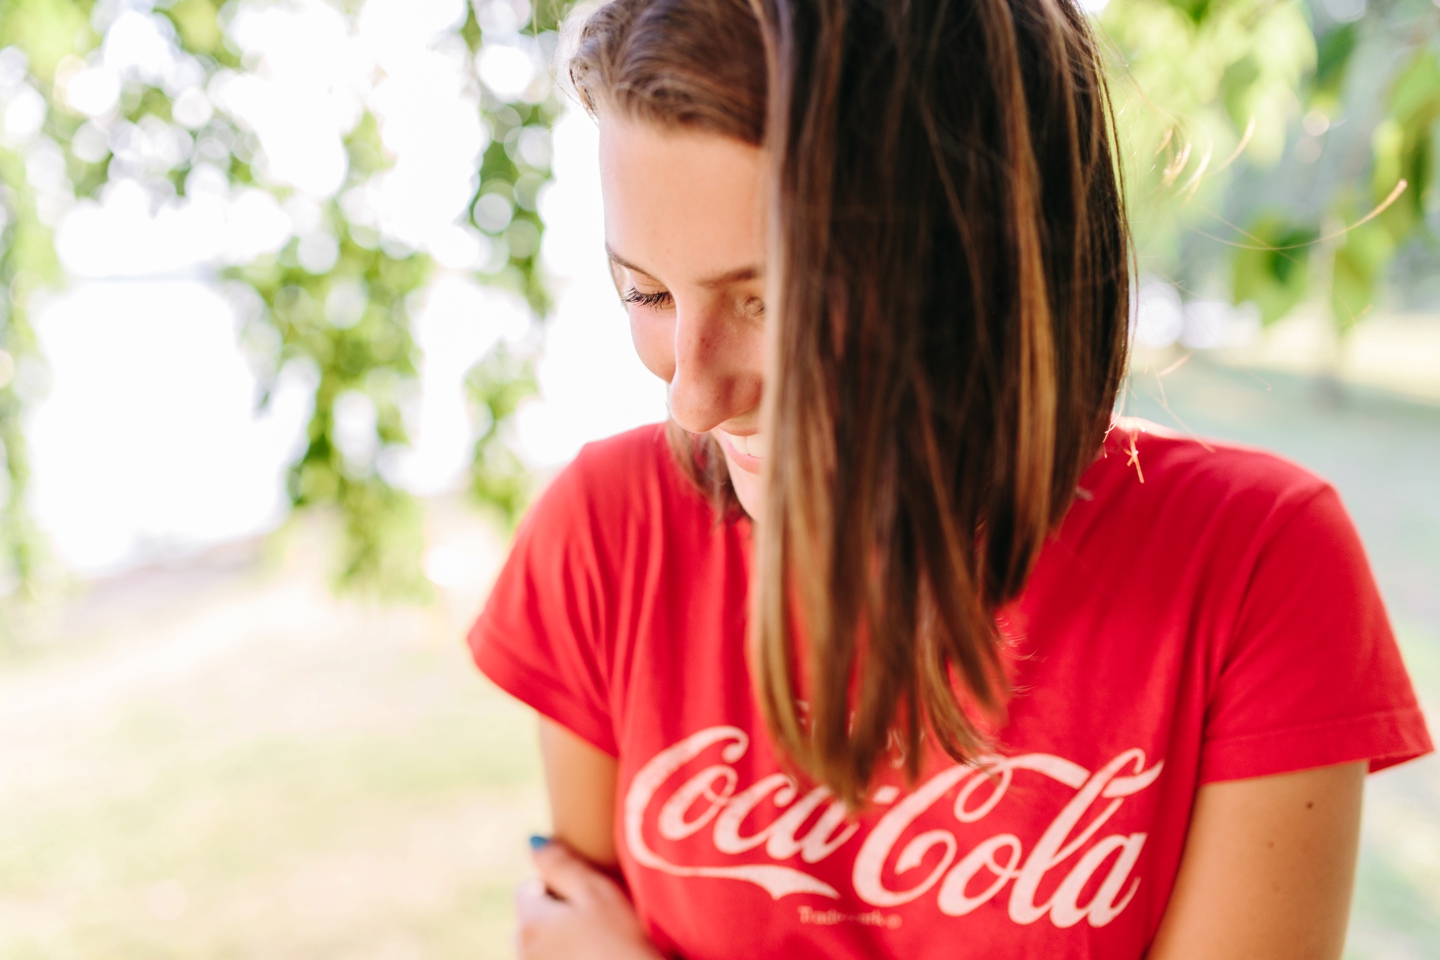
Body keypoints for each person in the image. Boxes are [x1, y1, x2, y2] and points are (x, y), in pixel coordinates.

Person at [467, 0, 1434, 957]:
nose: (694, 397)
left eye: (772, 303)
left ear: (986, 256)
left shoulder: (1255, 564)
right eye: (645, 292)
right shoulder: (606, 532)